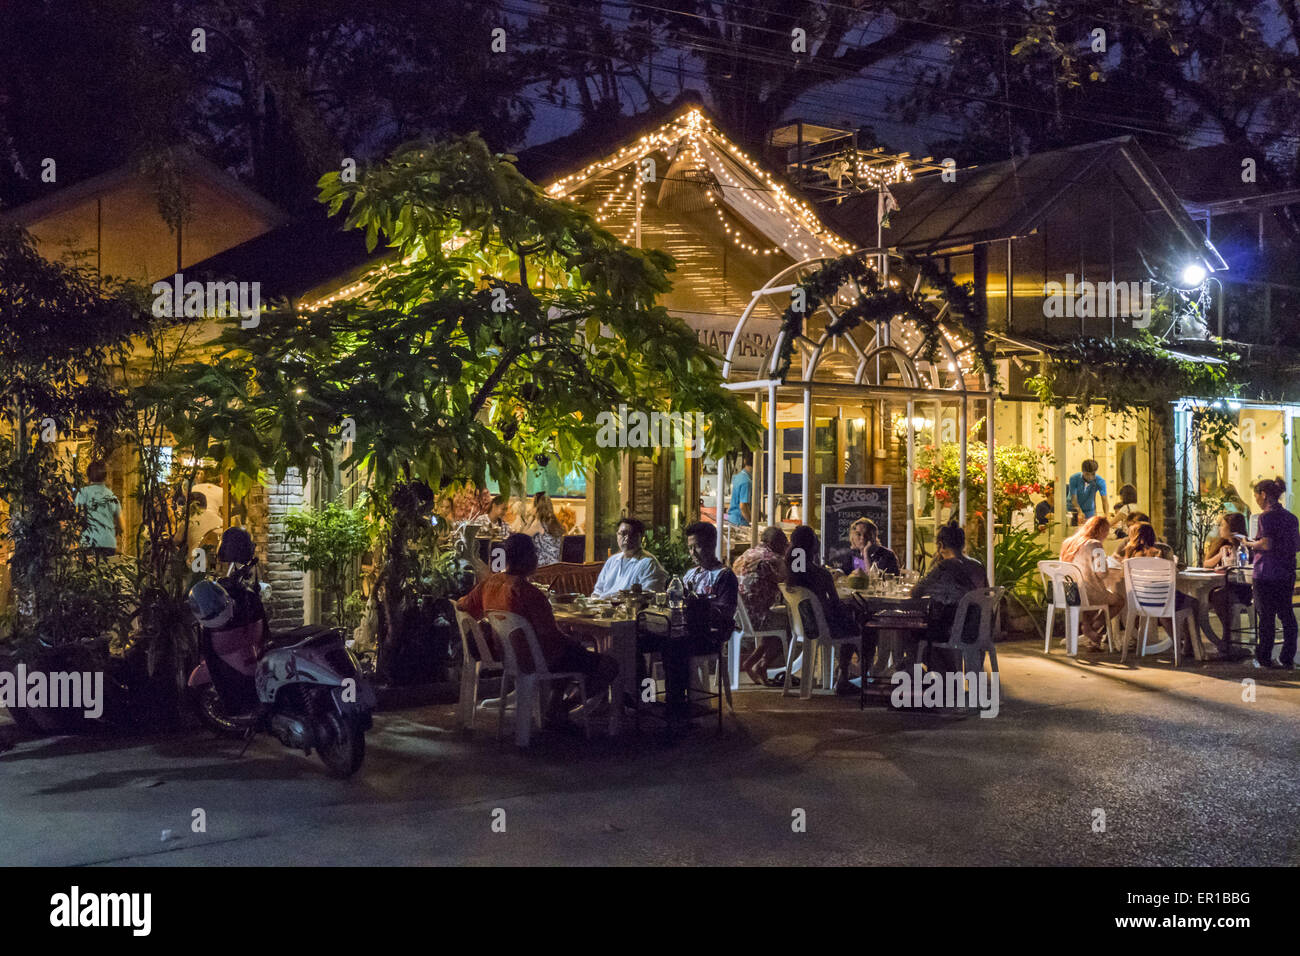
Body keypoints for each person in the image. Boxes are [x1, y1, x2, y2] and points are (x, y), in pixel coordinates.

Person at [458, 534, 618, 727]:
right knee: (608, 664)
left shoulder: (489, 585)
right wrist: (572, 639)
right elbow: (550, 636)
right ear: (527, 558)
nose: (536, 558)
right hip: (537, 658)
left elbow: (462, 605)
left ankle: (554, 710)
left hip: (508, 655)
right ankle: (564, 708)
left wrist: (488, 621)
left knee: (570, 655)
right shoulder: (530, 594)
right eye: (534, 553)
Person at [641, 521, 739, 729]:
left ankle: (676, 707)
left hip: (708, 635)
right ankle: (643, 699)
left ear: (712, 545)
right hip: (682, 630)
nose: (693, 552)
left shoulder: (724, 576)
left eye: (698, 546)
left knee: (674, 647)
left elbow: (725, 612)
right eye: (690, 547)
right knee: (641, 641)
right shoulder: (690, 574)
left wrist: (699, 605)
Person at [786, 525, 862, 695]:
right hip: (822, 627)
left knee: (849, 620)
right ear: (813, 545)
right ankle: (844, 676)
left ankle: (843, 673)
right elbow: (834, 602)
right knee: (855, 624)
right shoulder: (821, 574)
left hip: (802, 627)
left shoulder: (790, 571)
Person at [1239, 478, 1299, 670]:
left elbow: (1266, 544)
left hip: (1266, 572)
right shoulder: (1291, 518)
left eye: (1256, 495)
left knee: (1266, 617)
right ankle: (1287, 656)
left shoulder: (1265, 518)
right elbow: (1297, 544)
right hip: (1286, 571)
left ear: (1263, 495)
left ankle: (1264, 656)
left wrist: (1249, 544)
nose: (1255, 499)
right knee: (1286, 614)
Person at [911, 521, 987, 668]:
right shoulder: (977, 565)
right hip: (977, 627)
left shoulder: (944, 567)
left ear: (940, 545)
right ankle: (947, 675)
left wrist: (936, 563)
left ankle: (940, 676)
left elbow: (916, 592)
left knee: (911, 633)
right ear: (962, 543)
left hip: (953, 630)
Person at [733, 526, 789, 685]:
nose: (785, 548)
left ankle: (751, 662)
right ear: (774, 543)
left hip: (737, 616)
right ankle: (763, 664)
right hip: (755, 618)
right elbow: (786, 583)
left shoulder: (744, 555)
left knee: (775, 621)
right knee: (790, 624)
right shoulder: (773, 560)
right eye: (784, 544)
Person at [1061, 515, 1125, 649]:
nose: (1107, 535)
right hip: (1088, 593)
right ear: (1101, 530)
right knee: (1119, 601)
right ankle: (1095, 626)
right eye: (1107, 531)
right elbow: (1101, 574)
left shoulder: (1069, 542)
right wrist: (1106, 565)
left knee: (1091, 597)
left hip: (1068, 592)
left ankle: (1089, 633)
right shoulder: (1095, 545)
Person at [1203, 512, 1252, 653]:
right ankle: (1227, 638)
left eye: (1223, 525)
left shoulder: (1246, 545)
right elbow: (1206, 564)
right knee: (1213, 596)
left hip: (1241, 588)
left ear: (1232, 527)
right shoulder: (1220, 544)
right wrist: (1220, 554)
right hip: (1222, 586)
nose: (1220, 528)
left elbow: (1247, 568)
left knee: (1219, 597)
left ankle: (1228, 639)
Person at [591, 516, 667, 598]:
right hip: (602, 608)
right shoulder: (612, 561)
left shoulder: (649, 563)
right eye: (623, 534)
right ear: (617, 535)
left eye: (632, 534)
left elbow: (649, 596)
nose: (627, 538)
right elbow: (598, 591)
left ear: (641, 537)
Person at [74, 460, 124, 557]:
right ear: (105, 476)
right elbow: (122, 527)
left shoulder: (82, 493)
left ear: (88, 476)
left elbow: (76, 518)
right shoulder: (112, 496)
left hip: (87, 543)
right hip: (108, 545)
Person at [833, 517, 899, 576]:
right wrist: (838, 572)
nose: (863, 537)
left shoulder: (887, 555)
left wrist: (866, 552)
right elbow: (844, 572)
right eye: (858, 534)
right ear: (852, 537)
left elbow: (874, 579)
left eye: (867, 534)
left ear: (874, 536)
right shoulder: (852, 554)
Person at [520, 491, 565, 567]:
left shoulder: (538, 523)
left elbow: (521, 538)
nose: (530, 508)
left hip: (543, 567)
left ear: (537, 507)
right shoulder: (554, 522)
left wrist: (530, 520)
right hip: (556, 564)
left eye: (532, 506)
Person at [727, 454, 753, 526]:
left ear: (744, 461)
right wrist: (752, 522)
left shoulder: (738, 476)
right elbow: (743, 506)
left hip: (732, 519)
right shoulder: (746, 482)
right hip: (740, 521)